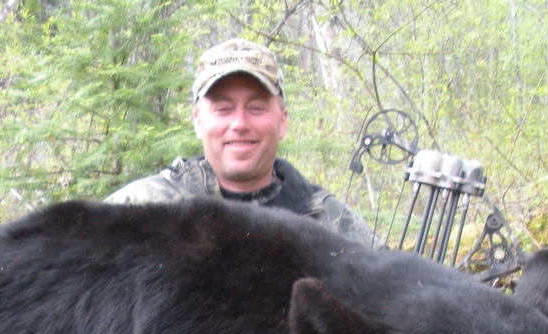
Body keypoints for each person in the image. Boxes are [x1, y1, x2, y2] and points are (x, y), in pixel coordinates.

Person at [104, 38, 371, 244]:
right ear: (198, 121)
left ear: (283, 121)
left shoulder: (336, 226)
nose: (240, 124)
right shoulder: (135, 212)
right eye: (223, 109)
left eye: (256, 108)